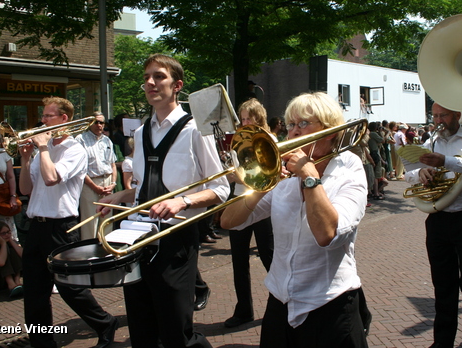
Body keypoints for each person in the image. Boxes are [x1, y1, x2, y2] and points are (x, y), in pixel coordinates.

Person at [98, 54, 230, 348]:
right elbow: (147, 187)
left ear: (177, 85)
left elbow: (220, 189)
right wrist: (122, 195)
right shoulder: (142, 132)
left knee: (175, 330)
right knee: (141, 328)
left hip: (175, 238)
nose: (150, 82)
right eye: (147, 77)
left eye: (159, 76)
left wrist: (182, 203)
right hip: (136, 237)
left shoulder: (196, 130)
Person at [222, 91, 369, 348]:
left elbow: (327, 235)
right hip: (280, 303)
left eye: (303, 123)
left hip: (329, 305)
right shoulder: (284, 176)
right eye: (290, 125)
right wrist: (260, 185)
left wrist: (309, 176)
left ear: (330, 130)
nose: (294, 132)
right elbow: (228, 221)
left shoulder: (349, 167)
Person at [19, 96, 118, 348]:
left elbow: (52, 178)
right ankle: (41, 342)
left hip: (60, 228)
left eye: (48, 116)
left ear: (64, 119)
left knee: (70, 289)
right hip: (36, 226)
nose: (42, 121)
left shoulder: (75, 150)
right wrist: (25, 158)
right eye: (42, 116)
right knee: (34, 291)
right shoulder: (46, 147)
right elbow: (25, 188)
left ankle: (105, 322)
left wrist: (42, 149)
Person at [404, 103, 462, 348]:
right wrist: (420, 173)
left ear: (457, 115)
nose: (438, 120)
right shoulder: (430, 141)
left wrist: (445, 161)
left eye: (443, 115)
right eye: (434, 115)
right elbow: (408, 172)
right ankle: (442, 341)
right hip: (438, 221)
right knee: (443, 284)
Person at [224, 98, 275, 328]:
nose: (244, 122)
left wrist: (240, 175)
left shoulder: (269, 139)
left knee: (270, 256)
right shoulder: (239, 140)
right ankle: (243, 309)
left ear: (258, 118)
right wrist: (230, 174)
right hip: (239, 198)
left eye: (248, 118)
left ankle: (281, 302)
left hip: (262, 201)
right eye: (242, 118)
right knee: (238, 260)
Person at [75, 112, 117, 240]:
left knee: (106, 219)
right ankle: (89, 254)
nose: (99, 125)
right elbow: (80, 170)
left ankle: (106, 250)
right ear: (89, 123)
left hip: (108, 181)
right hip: (90, 183)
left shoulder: (107, 140)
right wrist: (94, 187)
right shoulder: (80, 139)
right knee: (90, 220)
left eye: (102, 122)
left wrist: (113, 184)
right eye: (96, 122)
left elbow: (113, 165)